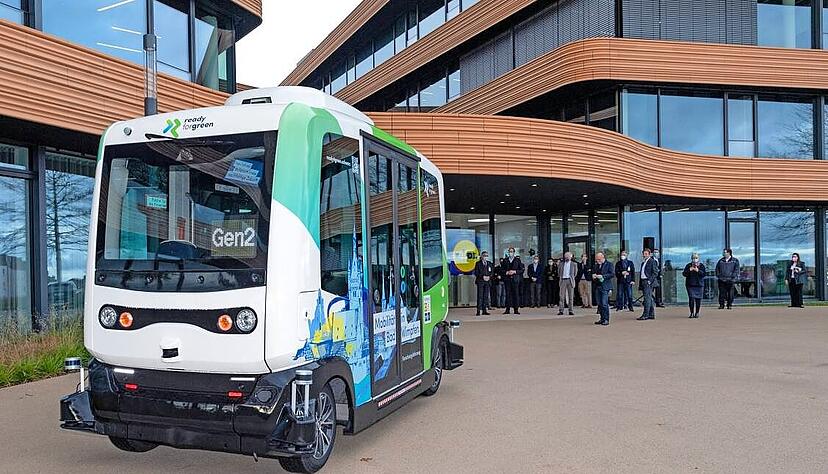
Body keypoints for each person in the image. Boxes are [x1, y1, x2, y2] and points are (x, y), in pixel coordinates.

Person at [592, 253, 615, 326]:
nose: (597, 261)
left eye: (599, 259)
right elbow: (593, 273)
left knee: (604, 303)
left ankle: (606, 319)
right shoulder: (596, 265)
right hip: (598, 286)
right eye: (597, 259)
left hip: (605, 287)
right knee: (599, 304)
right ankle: (602, 318)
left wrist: (603, 276)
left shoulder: (609, 264)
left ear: (603, 257)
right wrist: (593, 276)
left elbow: (612, 274)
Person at [682, 253, 706, 318]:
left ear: (698, 259)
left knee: (698, 299)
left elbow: (704, 274)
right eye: (693, 258)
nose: (694, 259)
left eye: (696, 258)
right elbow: (684, 274)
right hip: (690, 285)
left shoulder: (701, 266)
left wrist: (698, 270)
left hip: (699, 285)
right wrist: (689, 270)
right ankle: (691, 313)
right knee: (691, 298)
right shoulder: (688, 265)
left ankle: (697, 312)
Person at [637, 248, 658, 321]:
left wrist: (649, 281)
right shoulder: (643, 262)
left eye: (646, 254)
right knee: (649, 299)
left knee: (647, 299)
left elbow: (655, 272)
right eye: (644, 254)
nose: (644, 255)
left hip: (648, 282)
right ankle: (651, 314)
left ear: (649, 254)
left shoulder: (652, 261)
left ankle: (645, 315)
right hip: (643, 281)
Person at [502, 247, 524, 315]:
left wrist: (514, 271)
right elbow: (502, 270)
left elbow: (521, 270)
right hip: (507, 280)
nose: (510, 253)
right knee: (507, 295)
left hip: (515, 280)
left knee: (516, 295)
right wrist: (506, 272)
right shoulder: (505, 260)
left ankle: (516, 309)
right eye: (509, 251)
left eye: (511, 251)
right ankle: (507, 309)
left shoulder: (517, 260)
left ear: (514, 252)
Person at [473, 251, 493, 316]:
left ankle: (484, 310)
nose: (485, 257)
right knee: (480, 296)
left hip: (487, 282)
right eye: (484, 255)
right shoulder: (478, 263)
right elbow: (476, 273)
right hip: (480, 282)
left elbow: (492, 272)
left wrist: (489, 277)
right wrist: (482, 276)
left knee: (486, 296)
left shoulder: (489, 263)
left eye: (486, 256)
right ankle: (478, 310)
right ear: (481, 256)